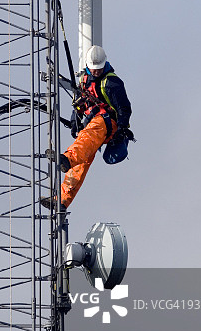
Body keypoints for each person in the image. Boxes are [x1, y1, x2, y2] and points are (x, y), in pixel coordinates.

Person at [41, 45, 134, 211]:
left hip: (108, 124)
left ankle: (67, 158)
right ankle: (62, 200)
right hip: (93, 123)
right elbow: (79, 103)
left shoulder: (112, 83)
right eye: (93, 69)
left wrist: (121, 129)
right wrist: (74, 120)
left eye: (98, 69)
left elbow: (124, 109)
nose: (96, 72)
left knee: (90, 134)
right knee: (81, 160)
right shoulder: (85, 81)